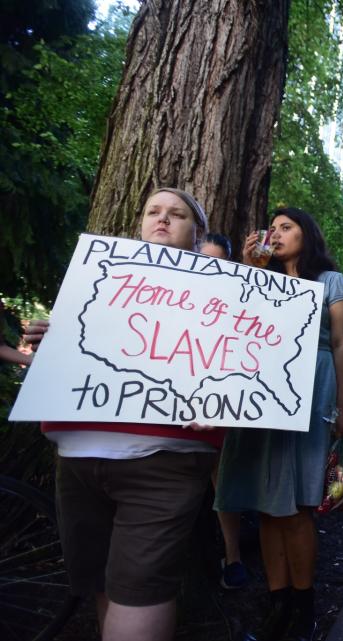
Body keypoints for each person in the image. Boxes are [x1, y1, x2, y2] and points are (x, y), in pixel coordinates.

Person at [26, 188, 221, 641]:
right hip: (76, 453)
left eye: (176, 214)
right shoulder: (96, 276)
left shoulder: (222, 292)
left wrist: (225, 403)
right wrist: (51, 340)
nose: (162, 219)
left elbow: (243, 364)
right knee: (102, 581)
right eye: (153, 211)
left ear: (198, 233)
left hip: (161, 458)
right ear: (139, 221)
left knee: (140, 589)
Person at [213, 208, 343, 641]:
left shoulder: (331, 282)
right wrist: (250, 272)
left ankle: (303, 605)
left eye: (286, 227)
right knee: (268, 507)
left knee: (297, 510)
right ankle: (278, 604)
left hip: (312, 393)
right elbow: (232, 328)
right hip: (263, 398)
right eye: (271, 229)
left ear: (307, 235)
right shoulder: (259, 279)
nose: (275, 234)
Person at [197, 234, 247, 590]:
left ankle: (233, 557)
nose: (212, 268)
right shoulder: (166, 295)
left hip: (216, 403)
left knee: (222, 477)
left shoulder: (233, 299)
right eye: (206, 260)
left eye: (220, 262)